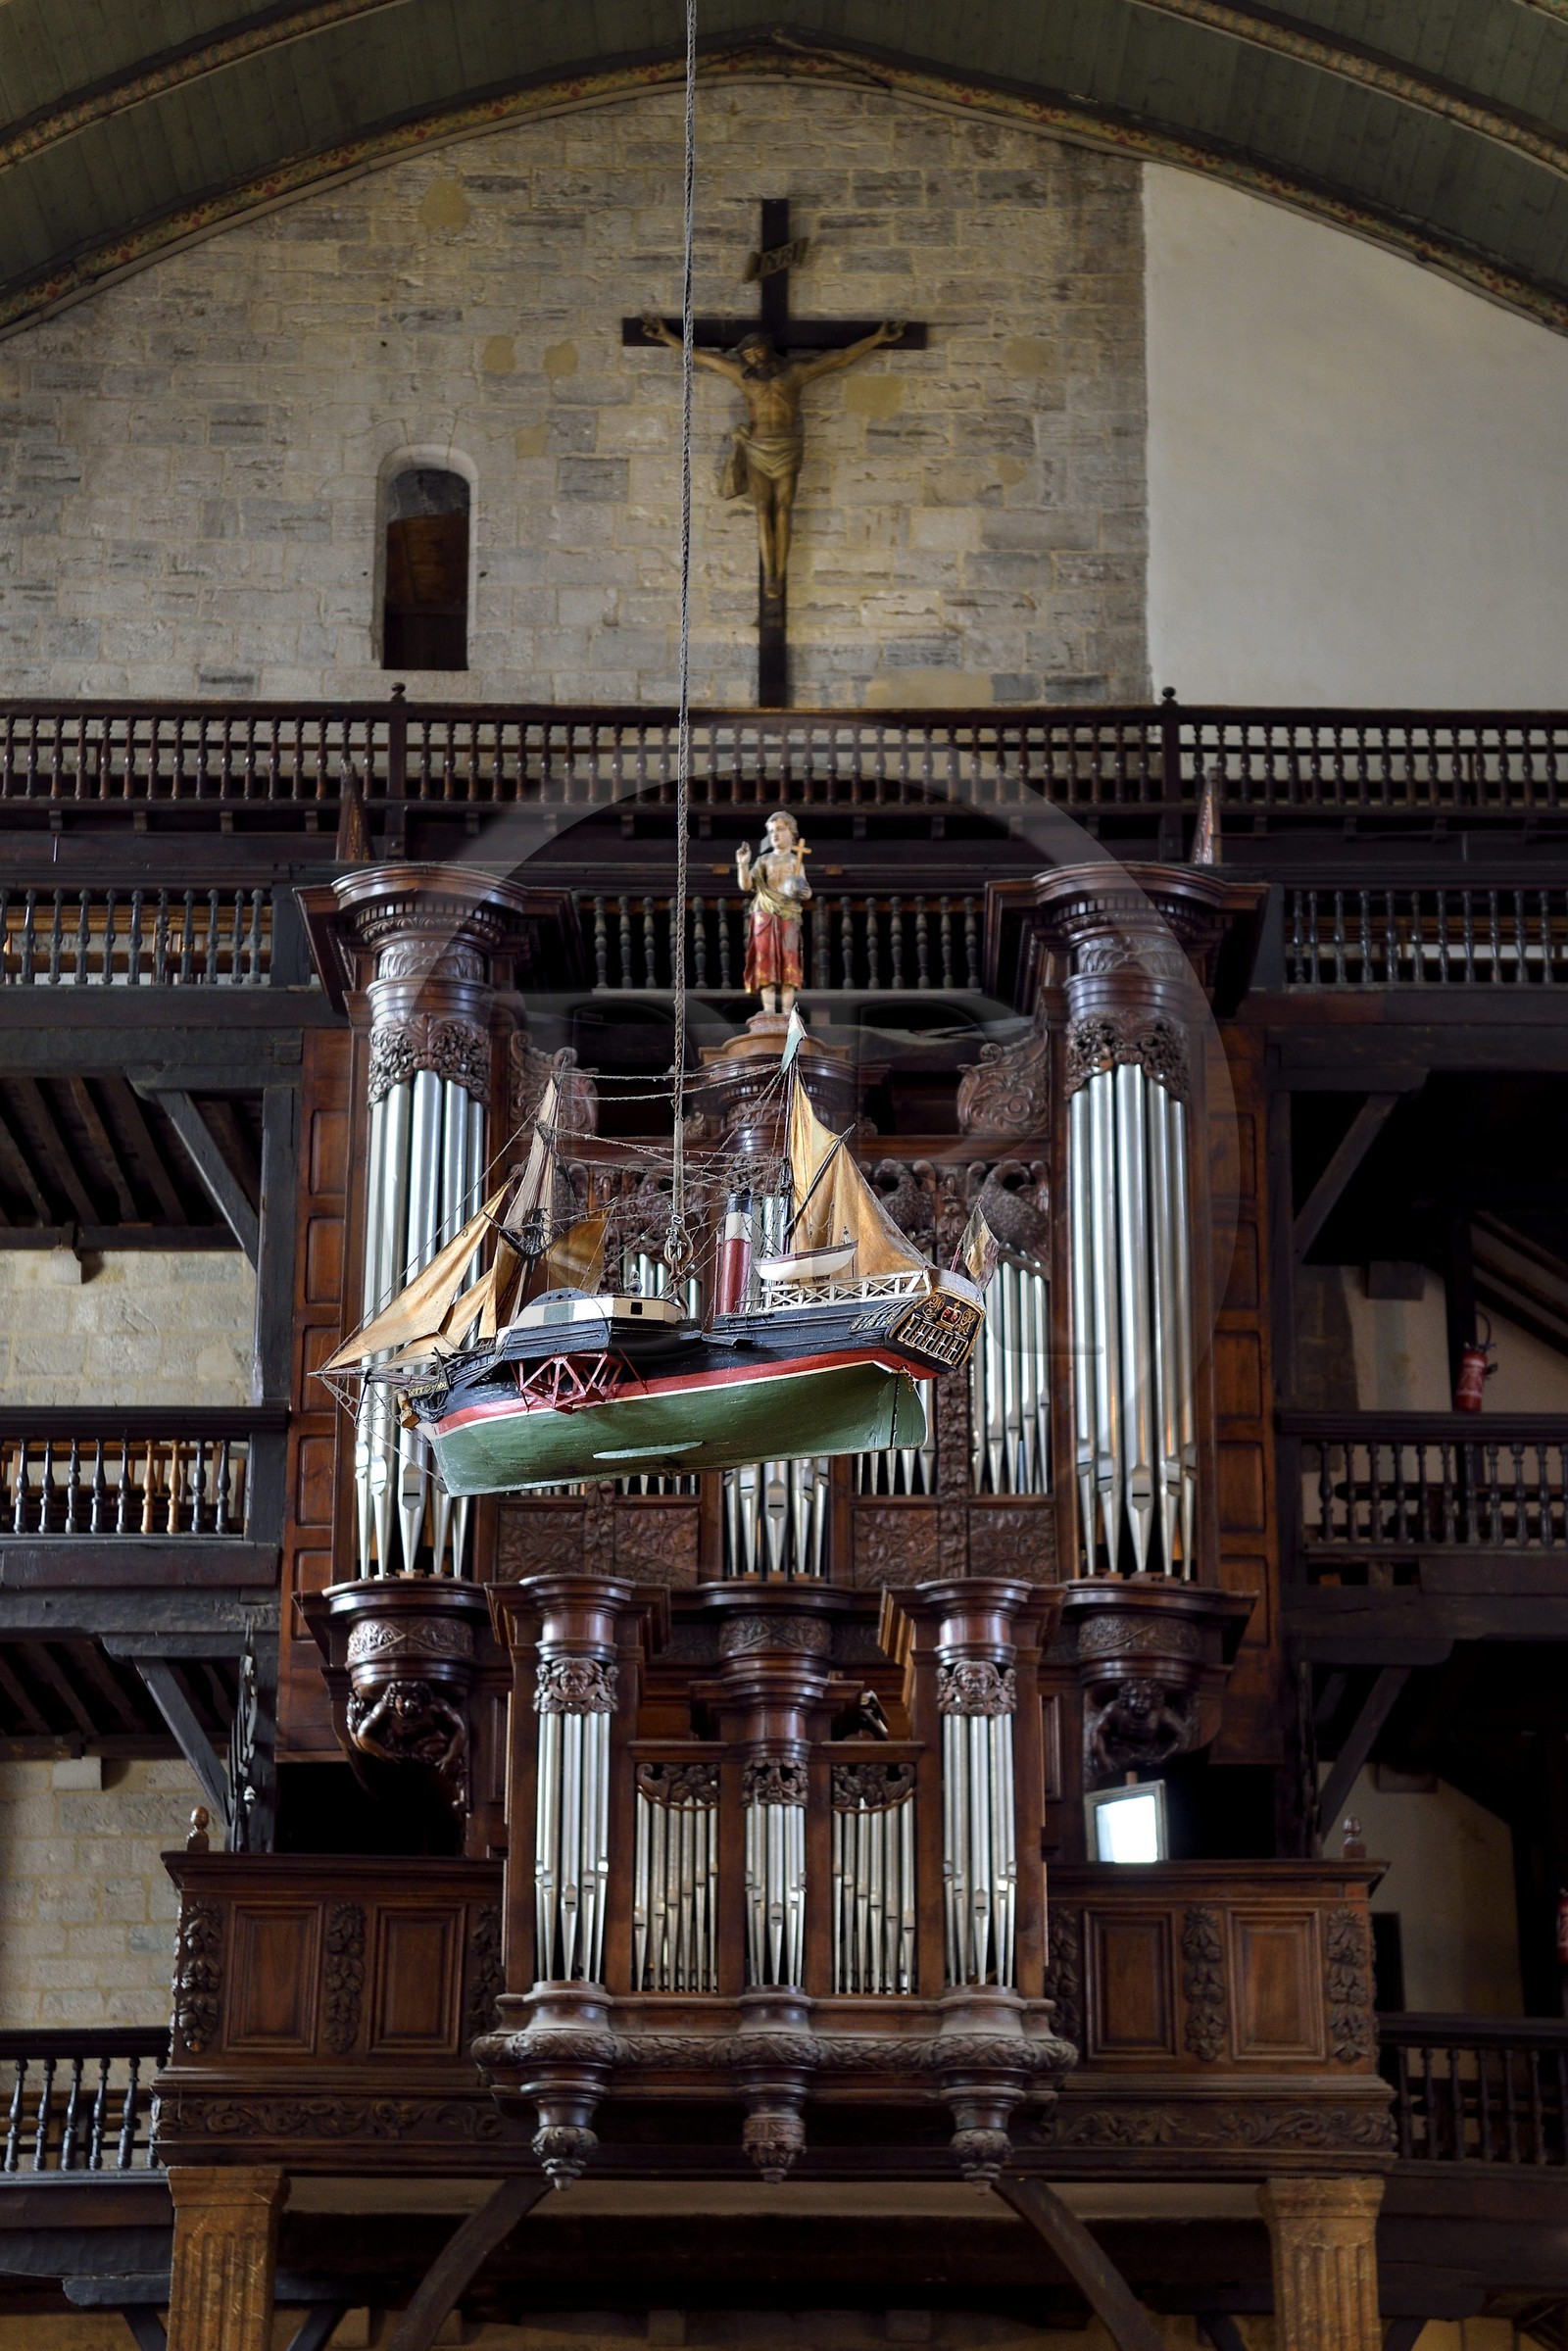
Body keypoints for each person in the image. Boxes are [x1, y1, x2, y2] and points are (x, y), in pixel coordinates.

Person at [640, 318, 905, 597]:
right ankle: (771, 575)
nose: (753, 358)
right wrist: (667, 337)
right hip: (757, 446)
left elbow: (840, 359)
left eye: (757, 351)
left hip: (787, 446)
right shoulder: (741, 375)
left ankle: (780, 571)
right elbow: (703, 357)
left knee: (783, 509)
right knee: (763, 510)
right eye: (747, 355)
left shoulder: (795, 374)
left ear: (768, 347)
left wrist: (878, 338)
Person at [736, 809, 811, 1013]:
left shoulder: (795, 861)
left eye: (780, 829)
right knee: (765, 961)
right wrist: (742, 865)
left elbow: (805, 889)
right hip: (764, 914)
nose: (775, 834)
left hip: (788, 914)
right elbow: (746, 885)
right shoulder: (764, 860)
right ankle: (768, 1011)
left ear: (791, 832)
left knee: (789, 960)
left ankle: (787, 1012)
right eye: (771, 831)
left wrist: (806, 893)